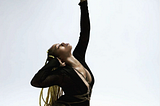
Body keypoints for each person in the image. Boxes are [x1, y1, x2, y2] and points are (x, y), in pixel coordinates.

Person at [31, 0, 94, 106]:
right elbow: (35, 82)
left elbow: (85, 32)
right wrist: (53, 63)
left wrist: (83, 4)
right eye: (59, 46)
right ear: (58, 57)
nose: (63, 43)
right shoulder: (63, 74)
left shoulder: (79, 57)